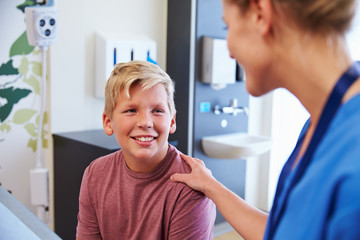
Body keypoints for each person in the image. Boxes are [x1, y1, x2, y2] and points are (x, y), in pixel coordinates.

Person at [171, 0, 360, 239]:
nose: (229, 50)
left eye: (227, 28)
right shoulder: (320, 124)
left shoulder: (352, 152)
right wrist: (211, 186)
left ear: (260, 14)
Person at [76, 60, 216, 240]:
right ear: (108, 122)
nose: (145, 122)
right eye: (131, 110)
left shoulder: (191, 187)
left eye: (157, 110)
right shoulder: (94, 174)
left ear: (172, 121)